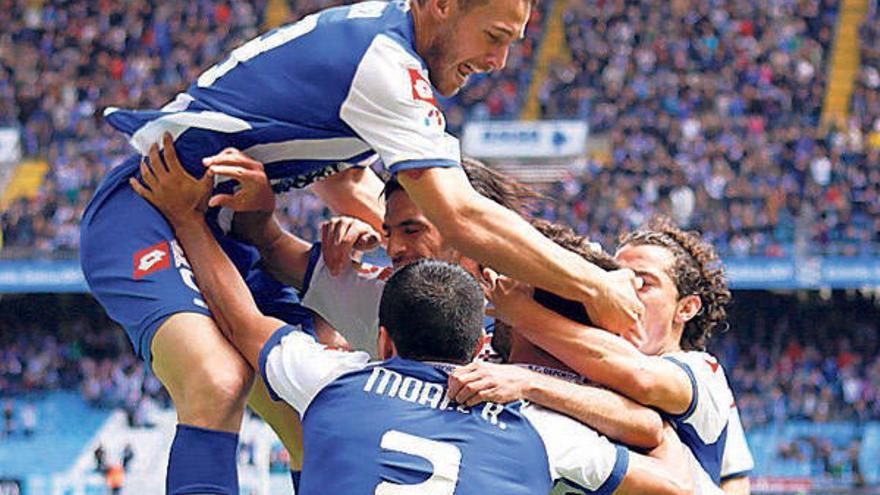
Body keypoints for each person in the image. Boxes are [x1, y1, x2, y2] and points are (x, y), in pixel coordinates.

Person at [80, 1, 643, 491]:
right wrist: (596, 284)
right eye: (493, 37)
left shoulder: (381, 49)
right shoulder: (386, 65)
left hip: (224, 223)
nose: (498, 63)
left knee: (313, 421)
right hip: (152, 206)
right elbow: (460, 213)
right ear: (441, 4)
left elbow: (351, 184)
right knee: (217, 380)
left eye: (512, 44)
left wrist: (390, 231)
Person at [475, 217, 740, 488]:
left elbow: (642, 379)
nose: (624, 292)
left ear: (686, 308)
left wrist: (523, 315)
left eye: (644, 282)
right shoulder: (584, 371)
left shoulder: (701, 371)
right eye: (614, 280)